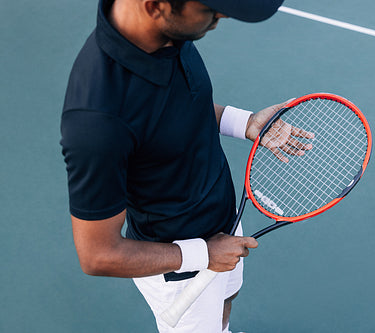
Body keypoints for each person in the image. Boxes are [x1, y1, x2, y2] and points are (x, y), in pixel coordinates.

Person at [60, 0, 310, 332]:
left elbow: (174, 111)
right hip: (181, 265)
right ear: (155, 6)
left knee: (225, 302)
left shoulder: (169, 32)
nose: (220, 17)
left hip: (222, 222)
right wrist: (203, 254)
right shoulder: (99, 121)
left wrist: (245, 122)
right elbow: (97, 254)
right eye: (211, 9)